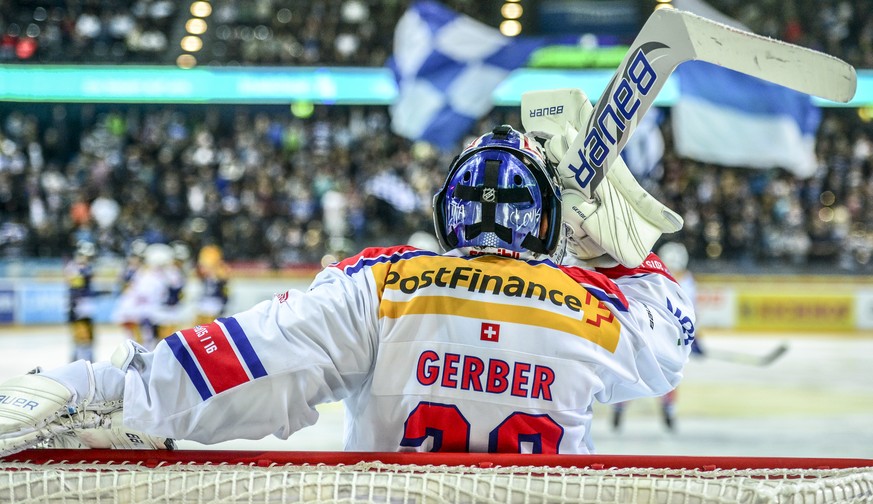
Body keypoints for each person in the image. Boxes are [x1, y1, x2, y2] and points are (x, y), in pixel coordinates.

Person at [0, 125, 694, 456]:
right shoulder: (592, 306)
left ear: (445, 213)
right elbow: (669, 338)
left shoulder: (389, 281)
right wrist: (614, 249)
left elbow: (235, 366)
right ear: (547, 223)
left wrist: (96, 385)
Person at [611, 241, 704, 432]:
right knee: (637, 370)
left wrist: (696, 338)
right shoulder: (656, 276)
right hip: (650, 332)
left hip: (658, 334)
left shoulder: (678, 279)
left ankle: (665, 409)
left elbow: (692, 312)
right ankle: (622, 406)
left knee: (657, 373)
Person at [64, 240, 98, 362]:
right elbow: (76, 287)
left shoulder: (78, 267)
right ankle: (80, 362)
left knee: (88, 336)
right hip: (79, 307)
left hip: (83, 306)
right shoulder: (77, 268)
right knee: (82, 336)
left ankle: (82, 360)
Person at [193, 244, 230, 326]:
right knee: (198, 326)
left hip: (215, 302)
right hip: (204, 301)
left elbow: (224, 284)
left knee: (210, 326)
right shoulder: (204, 274)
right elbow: (199, 274)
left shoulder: (220, 272)